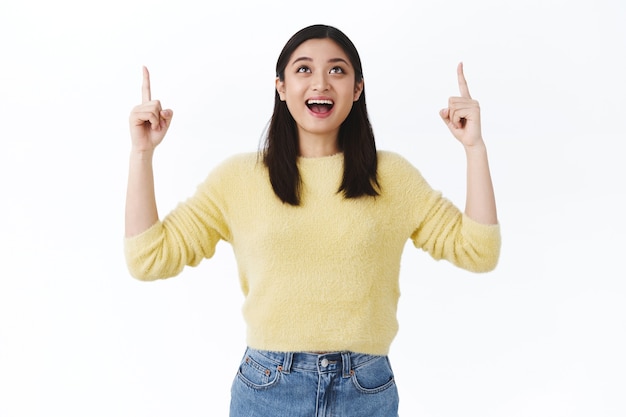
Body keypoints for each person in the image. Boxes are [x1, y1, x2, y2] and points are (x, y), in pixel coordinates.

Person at [124, 24, 500, 417]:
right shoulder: (237, 179)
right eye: (303, 69)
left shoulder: (391, 177)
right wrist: (141, 154)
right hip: (268, 389)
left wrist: (474, 148)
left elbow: (478, 251)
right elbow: (148, 258)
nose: (321, 83)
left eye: (337, 70)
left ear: (357, 89)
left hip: (365, 390)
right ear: (281, 86)